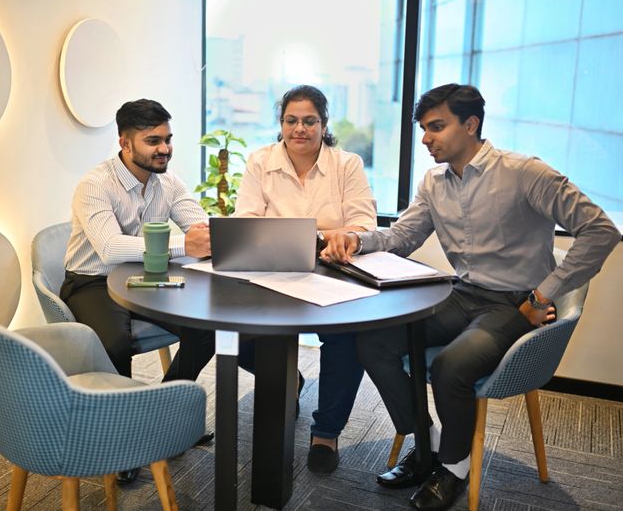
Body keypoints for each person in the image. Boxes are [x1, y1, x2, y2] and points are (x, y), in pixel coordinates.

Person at [322, 83, 620, 511]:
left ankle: (455, 469)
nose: (426, 138)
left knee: (451, 366)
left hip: (513, 303)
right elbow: (403, 236)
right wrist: (355, 239)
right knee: (372, 341)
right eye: (424, 129)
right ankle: (429, 444)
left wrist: (543, 295)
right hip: (462, 293)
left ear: (471, 124)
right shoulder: (434, 181)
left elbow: (601, 231)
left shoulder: (525, 173)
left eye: (437, 127)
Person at [61, 99, 216, 482]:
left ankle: (159, 421)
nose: (164, 149)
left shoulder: (169, 182)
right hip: (94, 279)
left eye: (167, 139)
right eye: (153, 141)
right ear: (125, 144)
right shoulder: (95, 185)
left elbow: (200, 228)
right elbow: (111, 248)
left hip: (148, 275)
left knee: (205, 330)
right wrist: (185, 246)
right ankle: (123, 443)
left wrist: (211, 235)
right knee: (115, 342)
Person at [234, 85, 377, 474]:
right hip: (272, 270)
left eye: (309, 121)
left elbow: (363, 225)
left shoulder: (346, 165)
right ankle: (289, 381)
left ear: (323, 123)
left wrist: (310, 235)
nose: (300, 129)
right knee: (236, 331)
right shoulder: (260, 161)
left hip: (334, 270)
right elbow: (246, 222)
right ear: (281, 124)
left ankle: (326, 432)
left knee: (345, 339)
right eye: (291, 120)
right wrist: (325, 230)